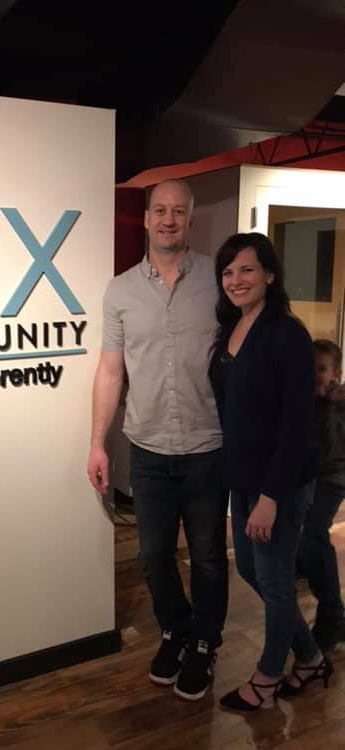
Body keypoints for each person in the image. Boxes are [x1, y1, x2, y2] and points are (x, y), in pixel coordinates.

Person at [87, 179, 228, 701]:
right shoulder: (119, 290)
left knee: (210, 557)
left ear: (190, 219)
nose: (168, 219)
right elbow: (108, 371)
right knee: (153, 556)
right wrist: (97, 442)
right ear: (145, 219)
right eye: (159, 211)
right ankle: (177, 629)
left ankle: (207, 644)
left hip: (208, 446)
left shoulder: (219, 280)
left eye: (178, 211)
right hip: (145, 449)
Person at [209, 232, 332, 712]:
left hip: (278, 482)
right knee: (249, 568)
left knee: (276, 581)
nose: (236, 280)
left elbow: (295, 423)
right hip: (243, 475)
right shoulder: (232, 328)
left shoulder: (287, 333)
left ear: (270, 275)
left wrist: (271, 496)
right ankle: (310, 657)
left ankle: (266, 678)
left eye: (246, 269)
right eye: (228, 272)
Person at [297, 339, 345, 652]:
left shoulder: (336, 399)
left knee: (314, 530)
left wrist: (330, 399)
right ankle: (306, 567)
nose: (315, 375)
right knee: (305, 531)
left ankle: (332, 616)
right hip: (312, 477)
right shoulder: (307, 400)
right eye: (310, 368)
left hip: (334, 478)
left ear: (336, 373)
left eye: (322, 369)